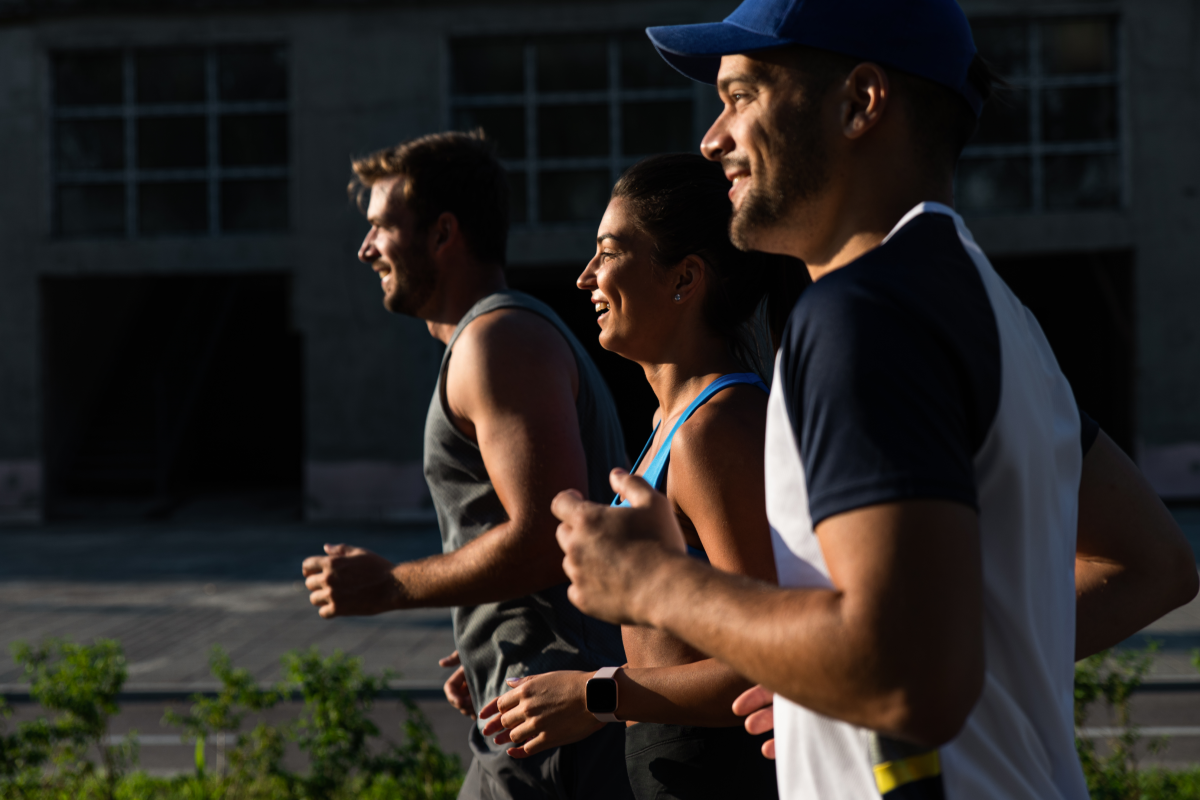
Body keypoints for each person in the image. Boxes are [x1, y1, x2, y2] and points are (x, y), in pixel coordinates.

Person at [548, 1, 1200, 799]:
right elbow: (1151, 564)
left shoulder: (861, 315)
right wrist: (824, 676)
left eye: (742, 95)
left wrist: (653, 583)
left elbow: (906, 677)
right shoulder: (988, 304)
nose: (713, 138)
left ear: (860, 102)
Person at [300, 130, 635, 800]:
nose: (366, 250)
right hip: (526, 710)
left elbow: (547, 538)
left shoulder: (498, 341)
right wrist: (488, 628)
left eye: (381, 229)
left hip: (547, 723)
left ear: (443, 233)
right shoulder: (497, 339)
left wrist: (389, 585)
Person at [476, 154, 805, 800]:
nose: (583, 278)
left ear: (685, 278)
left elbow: (764, 664)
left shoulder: (718, 429)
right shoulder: (673, 420)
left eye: (608, 252)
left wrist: (596, 694)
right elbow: (675, 633)